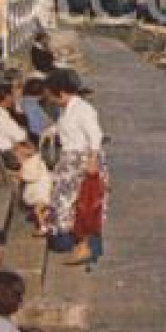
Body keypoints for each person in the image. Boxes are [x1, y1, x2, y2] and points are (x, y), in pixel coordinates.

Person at [44, 68, 107, 269]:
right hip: (69, 160)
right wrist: (53, 130)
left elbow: (95, 135)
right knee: (66, 204)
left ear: (61, 92)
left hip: (82, 160)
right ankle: (76, 242)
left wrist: (93, 160)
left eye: (53, 96)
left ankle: (83, 246)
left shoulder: (83, 109)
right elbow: (68, 127)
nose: (52, 101)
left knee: (82, 205)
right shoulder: (67, 108)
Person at [0, 83, 54, 235]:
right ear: (5, 98)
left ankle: (42, 208)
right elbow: (20, 136)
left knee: (41, 169)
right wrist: (31, 150)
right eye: (11, 95)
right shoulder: (1, 117)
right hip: (9, 155)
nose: (14, 99)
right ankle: (41, 207)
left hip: (10, 152)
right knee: (40, 171)